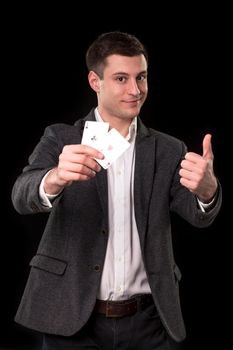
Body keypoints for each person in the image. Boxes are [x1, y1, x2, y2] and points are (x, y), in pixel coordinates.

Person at [11, 31, 222, 350]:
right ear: (95, 81)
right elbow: (21, 195)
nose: (135, 90)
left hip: (149, 322)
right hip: (71, 318)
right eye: (121, 78)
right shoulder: (61, 137)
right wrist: (54, 177)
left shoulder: (168, 149)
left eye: (142, 77)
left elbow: (198, 215)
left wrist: (208, 191)